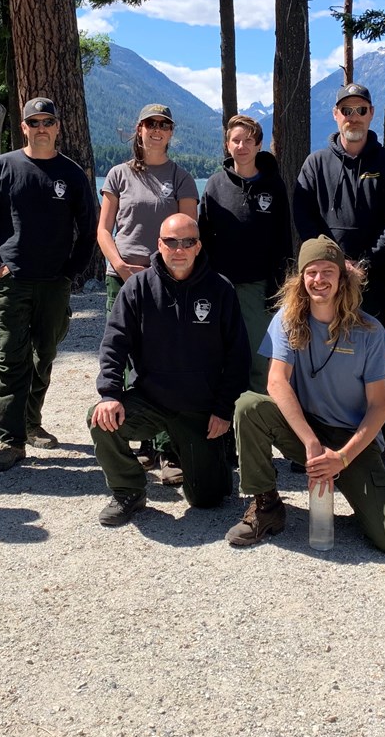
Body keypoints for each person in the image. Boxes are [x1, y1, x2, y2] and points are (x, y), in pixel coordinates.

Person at [226, 237, 385, 553]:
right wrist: (312, 445)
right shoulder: (287, 320)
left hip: (352, 441)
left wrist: (341, 457)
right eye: (311, 271)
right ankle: (266, 506)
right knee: (249, 406)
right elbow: (276, 383)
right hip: (308, 432)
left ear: (343, 277)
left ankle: (374, 487)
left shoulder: (369, 331)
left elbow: (378, 408)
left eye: (328, 270)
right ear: (301, 279)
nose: (319, 279)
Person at [88, 214, 249, 526]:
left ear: (198, 246)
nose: (179, 249)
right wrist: (110, 393)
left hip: (200, 410)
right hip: (151, 401)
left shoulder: (220, 290)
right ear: (159, 244)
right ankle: (129, 491)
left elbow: (238, 356)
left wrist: (223, 408)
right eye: (172, 242)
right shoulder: (137, 288)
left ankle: (206, 460)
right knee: (100, 419)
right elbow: (114, 344)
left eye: (188, 242)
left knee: (209, 499)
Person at [0, 97, 98, 472]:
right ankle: (10, 441)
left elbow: (89, 227)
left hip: (54, 282)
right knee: (9, 358)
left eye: (49, 120)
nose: (42, 127)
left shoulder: (72, 174)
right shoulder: (3, 167)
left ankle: (31, 423)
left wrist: (71, 272)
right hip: (13, 281)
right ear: (24, 127)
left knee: (43, 356)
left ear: (58, 127)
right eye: (35, 121)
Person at [96, 103, 200, 481]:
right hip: (121, 277)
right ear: (138, 129)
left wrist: (167, 268)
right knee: (122, 360)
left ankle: (166, 448)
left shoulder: (181, 177)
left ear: (171, 132)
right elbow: (103, 230)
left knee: (165, 360)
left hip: (166, 278)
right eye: (150, 124)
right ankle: (131, 441)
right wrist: (121, 266)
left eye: (164, 125)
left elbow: (189, 230)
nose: (157, 130)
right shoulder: (118, 175)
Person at [293, 83, 385, 325]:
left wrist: (365, 263)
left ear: (372, 113)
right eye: (347, 111)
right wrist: (335, 261)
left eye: (361, 110)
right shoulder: (315, 164)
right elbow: (304, 216)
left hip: (373, 277)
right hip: (325, 276)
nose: (353, 118)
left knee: (373, 343)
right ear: (336, 115)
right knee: (326, 339)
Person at [198, 114, 292, 393]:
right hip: (220, 285)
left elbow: (283, 239)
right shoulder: (214, 185)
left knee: (259, 359)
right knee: (219, 356)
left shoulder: (274, 186)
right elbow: (203, 236)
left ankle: (257, 423)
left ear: (259, 145)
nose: (241, 146)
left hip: (258, 287)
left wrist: (279, 288)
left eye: (248, 140)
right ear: (227, 145)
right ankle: (222, 427)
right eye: (235, 141)